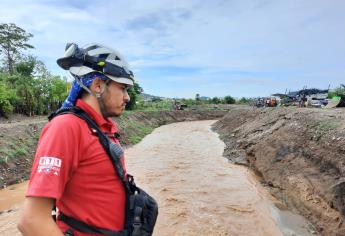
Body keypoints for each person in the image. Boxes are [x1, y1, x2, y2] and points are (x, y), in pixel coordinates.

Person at [18, 43, 135, 236]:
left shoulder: (101, 129)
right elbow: (31, 220)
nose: (127, 97)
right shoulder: (66, 128)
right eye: (122, 88)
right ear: (98, 85)